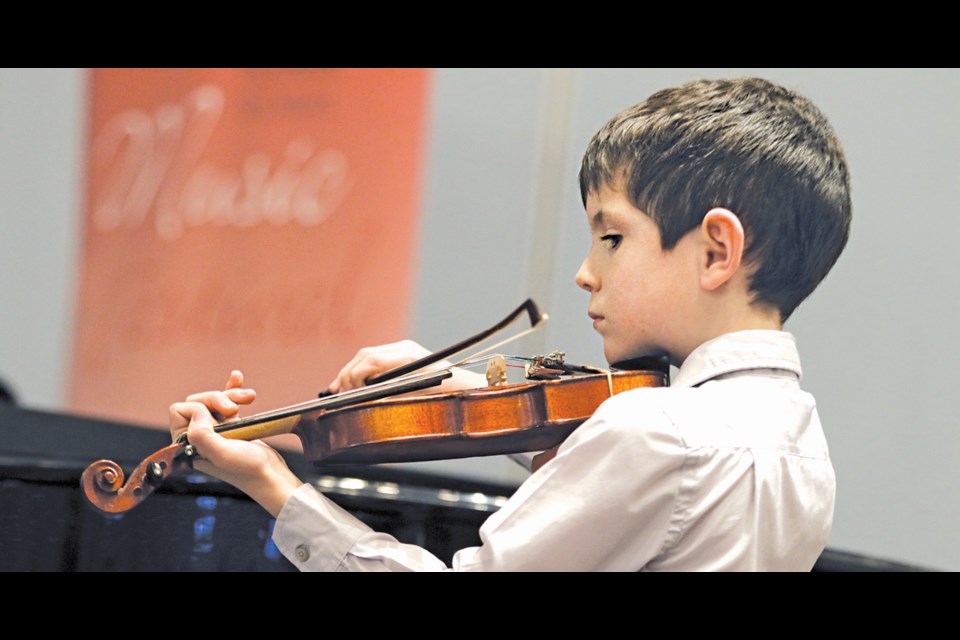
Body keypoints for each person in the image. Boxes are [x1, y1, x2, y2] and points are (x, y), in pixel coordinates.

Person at [170, 76, 851, 571]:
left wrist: (272, 483)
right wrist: (468, 391)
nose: (587, 272)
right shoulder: (801, 443)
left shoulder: (655, 431)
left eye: (611, 238)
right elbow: (634, 492)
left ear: (715, 252)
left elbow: (641, 461)